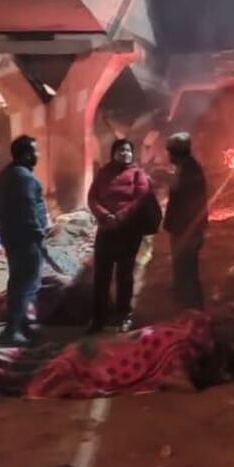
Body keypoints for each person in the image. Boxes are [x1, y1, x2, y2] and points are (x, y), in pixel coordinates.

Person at [86, 138, 154, 332]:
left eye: (128, 151)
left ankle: (124, 315)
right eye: (121, 150)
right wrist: (104, 214)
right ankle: (98, 318)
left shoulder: (138, 174)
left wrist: (121, 216)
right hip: (106, 230)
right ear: (113, 153)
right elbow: (92, 197)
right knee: (101, 276)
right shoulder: (103, 173)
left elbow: (141, 200)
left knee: (124, 275)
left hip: (128, 233)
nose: (125, 154)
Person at [0, 136, 48, 345]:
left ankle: (22, 326)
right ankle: (13, 330)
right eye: (35, 151)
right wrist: (39, 233)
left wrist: (3, 228)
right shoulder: (25, 179)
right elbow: (29, 210)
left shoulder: (6, 174)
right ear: (26, 154)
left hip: (11, 237)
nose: (37, 155)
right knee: (27, 284)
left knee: (17, 282)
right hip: (27, 240)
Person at [163, 133, 209, 310]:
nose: (169, 156)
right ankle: (184, 302)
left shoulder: (189, 170)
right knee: (182, 267)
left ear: (177, 152)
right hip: (182, 228)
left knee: (187, 269)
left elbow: (188, 200)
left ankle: (194, 309)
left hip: (187, 229)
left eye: (171, 152)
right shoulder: (185, 168)